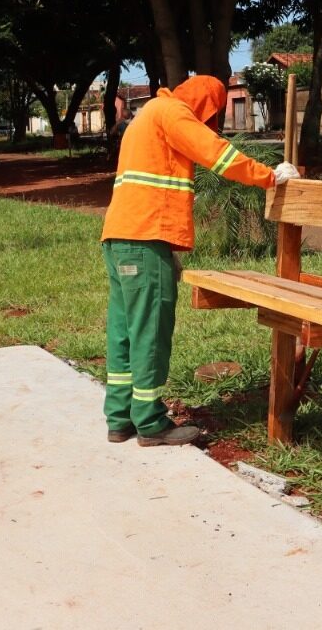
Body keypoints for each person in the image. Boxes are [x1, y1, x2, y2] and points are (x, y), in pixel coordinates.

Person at [101, 75, 299, 446]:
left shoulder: (147, 115)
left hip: (120, 238)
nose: (211, 122)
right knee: (150, 332)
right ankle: (150, 422)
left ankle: (119, 418)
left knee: (124, 331)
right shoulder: (173, 113)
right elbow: (218, 155)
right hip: (145, 239)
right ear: (206, 104)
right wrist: (271, 176)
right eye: (213, 114)